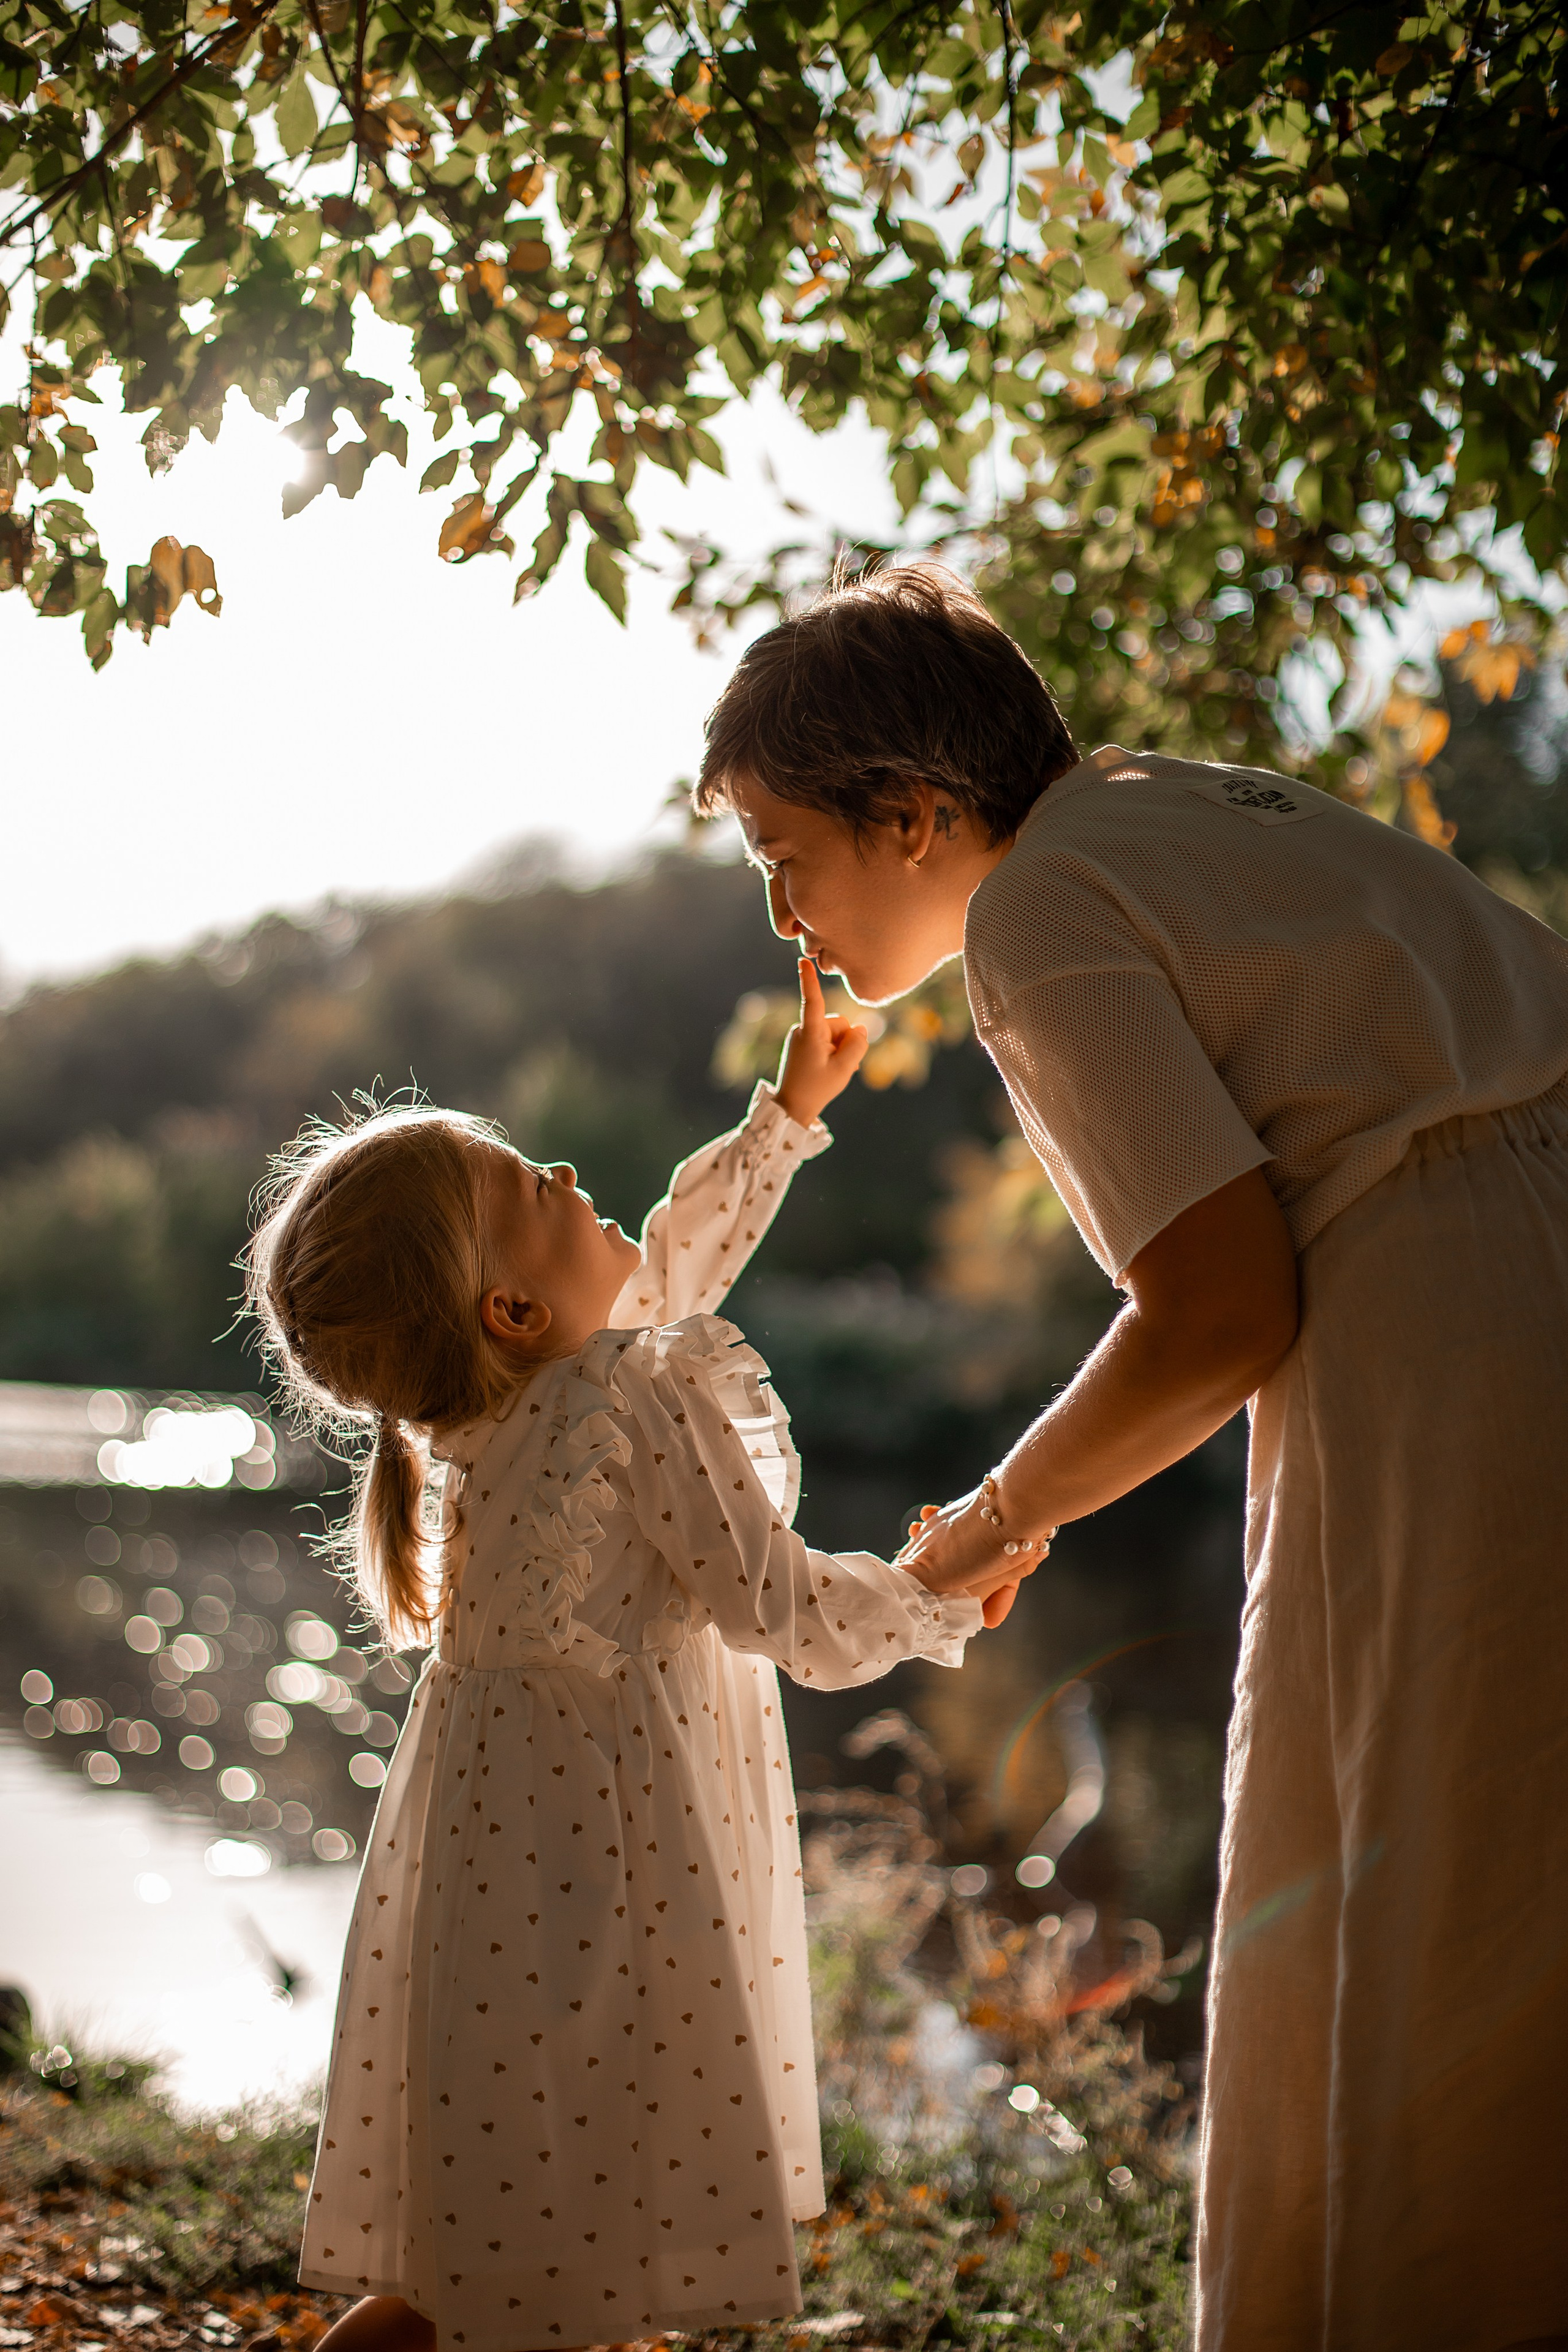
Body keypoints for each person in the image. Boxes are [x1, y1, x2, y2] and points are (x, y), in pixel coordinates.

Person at [695, 561, 1568, 2352]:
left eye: (787, 852)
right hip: (1501, 1255)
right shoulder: (1176, 812)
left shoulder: (1038, 912)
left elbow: (1217, 1310)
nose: (784, 909)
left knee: (1438, 1866)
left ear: (916, 814)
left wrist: (997, 1519)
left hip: (1463, 1316)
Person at [244, 958, 1007, 2352]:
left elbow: (655, 1274)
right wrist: (934, 1590)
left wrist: (784, 1115)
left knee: (492, 2213)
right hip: (607, 1855)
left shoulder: (481, 1410)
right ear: (511, 1313)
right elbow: (787, 1617)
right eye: (537, 1191)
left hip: (491, 1855)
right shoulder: (629, 1395)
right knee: (588, 2203)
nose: (569, 1169)